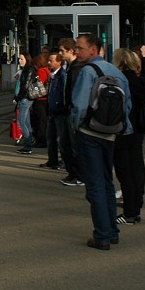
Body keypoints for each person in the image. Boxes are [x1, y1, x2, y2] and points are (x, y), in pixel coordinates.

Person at [70, 33, 133, 250]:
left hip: (90, 134)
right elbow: (127, 106)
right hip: (111, 135)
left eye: (79, 48)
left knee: (95, 185)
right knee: (107, 183)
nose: (76, 51)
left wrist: (76, 127)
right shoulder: (117, 72)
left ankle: (102, 237)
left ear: (93, 49)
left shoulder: (88, 72)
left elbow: (78, 106)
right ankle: (112, 231)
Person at [113, 48, 145, 225]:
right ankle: (134, 209)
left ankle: (130, 213)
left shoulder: (122, 80)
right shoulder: (137, 79)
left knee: (125, 172)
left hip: (125, 130)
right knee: (135, 170)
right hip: (137, 130)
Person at [56, 37, 83, 186]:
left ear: (71, 51)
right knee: (65, 144)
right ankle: (73, 173)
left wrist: (71, 108)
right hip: (68, 111)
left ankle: (78, 175)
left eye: (62, 51)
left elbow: (75, 92)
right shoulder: (71, 67)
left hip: (72, 112)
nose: (60, 53)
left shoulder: (76, 68)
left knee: (72, 145)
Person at [41, 51, 67, 171]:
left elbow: (63, 93)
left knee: (60, 138)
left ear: (59, 62)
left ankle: (64, 161)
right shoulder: (53, 75)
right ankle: (52, 160)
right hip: (51, 111)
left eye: (51, 61)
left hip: (58, 112)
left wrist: (59, 106)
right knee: (50, 137)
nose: (49, 62)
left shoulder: (62, 75)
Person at [13, 53, 37, 154]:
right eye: (19, 59)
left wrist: (17, 98)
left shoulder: (28, 70)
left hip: (25, 98)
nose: (19, 61)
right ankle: (29, 143)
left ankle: (28, 145)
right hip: (25, 98)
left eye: (21, 59)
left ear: (27, 59)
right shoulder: (25, 70)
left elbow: (24, 86)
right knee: (26, 122)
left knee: (22, 122)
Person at [30, 52, 51, 148]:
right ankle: (43, 139)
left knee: (40, 121)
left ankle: (41, 140)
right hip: (46, 99)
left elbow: (38, 85)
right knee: (44, 120)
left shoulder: (41, 71)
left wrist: (31, 89)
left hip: (40, 99)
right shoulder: (47, 70)